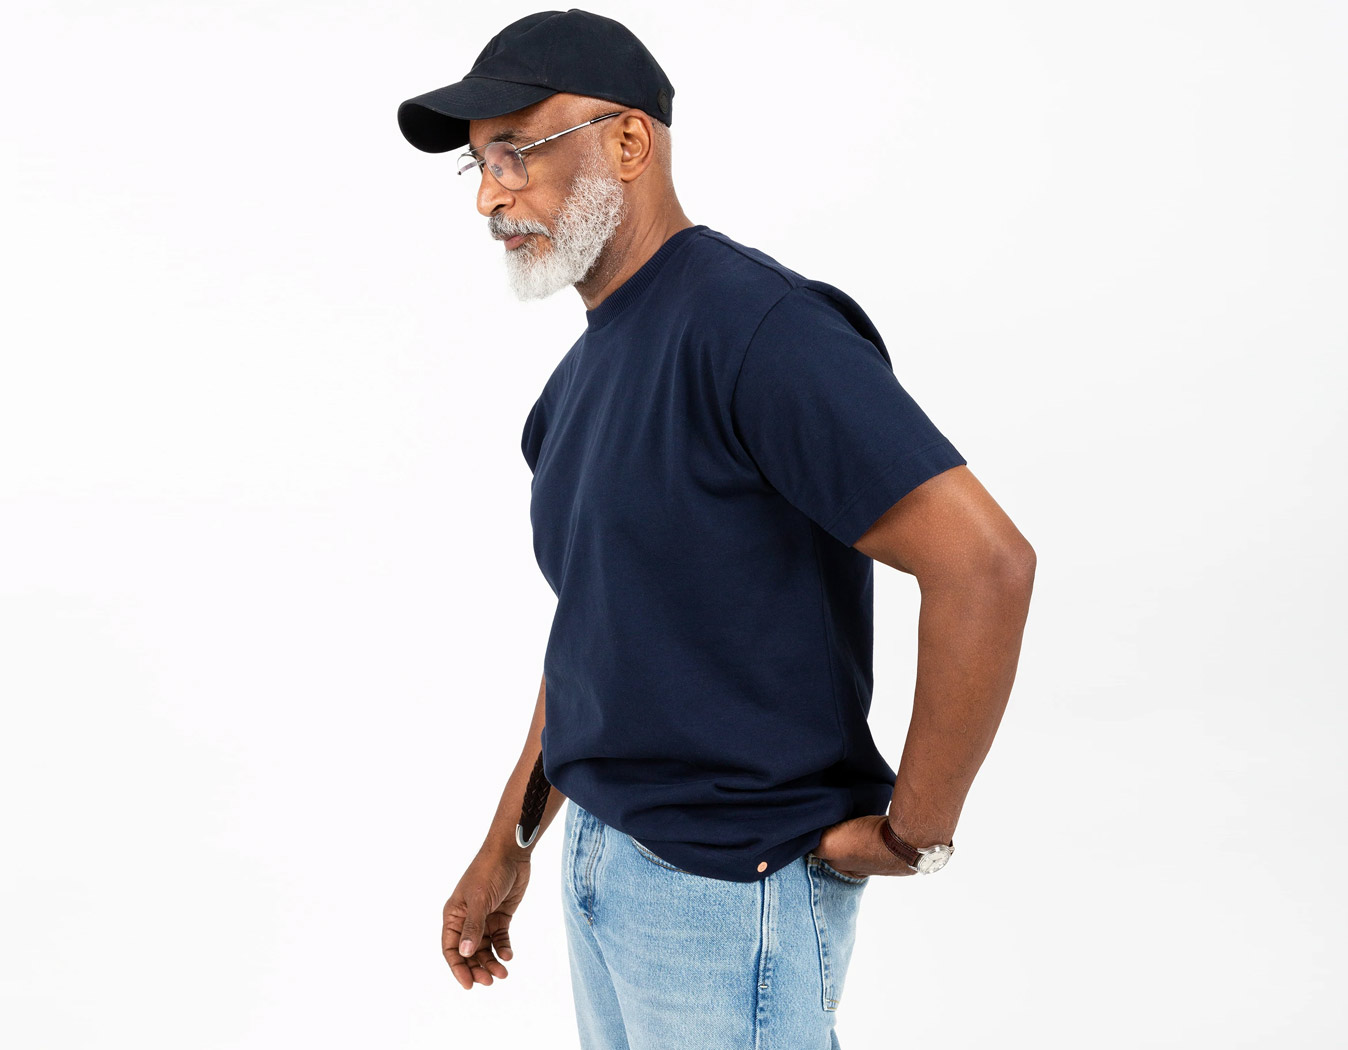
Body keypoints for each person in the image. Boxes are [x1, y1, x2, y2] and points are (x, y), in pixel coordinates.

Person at [398, 9, 1036, 1047]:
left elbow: (986, 564)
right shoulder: (575, 384)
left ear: (627, 142)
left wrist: (913, 836)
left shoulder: (757, 329)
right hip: (602, 861)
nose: (489, 195)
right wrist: (509, 841)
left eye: (515, 152)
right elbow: (593, 633)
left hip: (727, 897)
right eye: (478, 165)